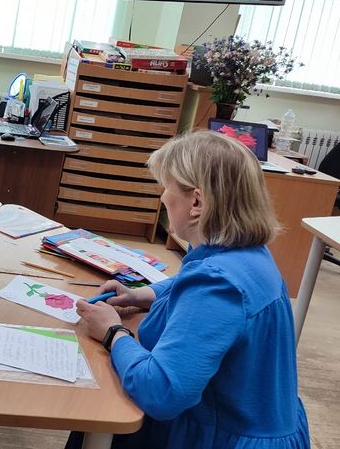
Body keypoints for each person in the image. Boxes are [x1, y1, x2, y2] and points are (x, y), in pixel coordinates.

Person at [70, 130, 309, 449]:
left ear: (196, 201)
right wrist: (144, 294)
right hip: (257, 423)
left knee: (105, 407)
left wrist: (113, 333)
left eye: (167, 186)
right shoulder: (249, 255)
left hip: (221, 437)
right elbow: (196, 283)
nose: (163, 197)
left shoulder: (218, 284)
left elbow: (162, 391)